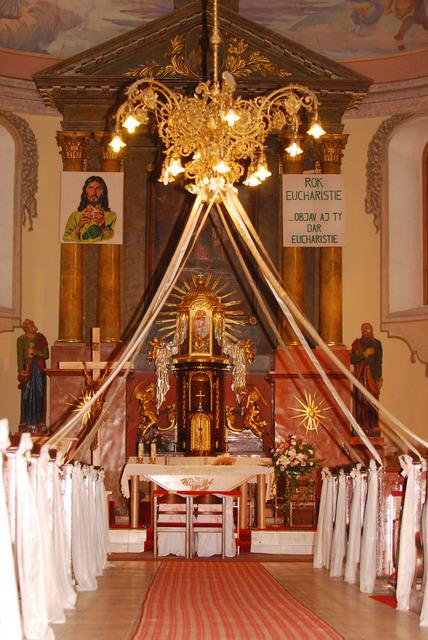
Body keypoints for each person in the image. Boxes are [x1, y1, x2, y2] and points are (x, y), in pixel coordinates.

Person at [350, 322, 382, 437]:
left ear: (371, 330)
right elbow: (353, 359)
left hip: (372, 376)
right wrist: (365, 354)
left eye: (367, 329)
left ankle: (373, 426)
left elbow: (379, 362)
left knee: (372, 401)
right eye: (363, 329)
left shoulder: (377, 344)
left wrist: (379, 378)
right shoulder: (357, 344)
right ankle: (360, 426)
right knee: (360, 400)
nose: (365, 331)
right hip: (360, 376)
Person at [17, 319, 49, 431]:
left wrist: (35, 352)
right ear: (25, 327)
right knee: (26, 395)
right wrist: (21, 370)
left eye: (33, 323)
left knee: (39, 394)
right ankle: (24, 422)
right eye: (30, 324)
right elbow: (20, 356)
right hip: (27, 370)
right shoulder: (21, 340)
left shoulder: (41, 338)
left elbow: (46, 355)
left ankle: (40, 422)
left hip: (39, 369)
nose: (33, 325)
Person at [63, 175, 117, 242]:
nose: (94, 192)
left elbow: (114, 240)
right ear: (85, 192)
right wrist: (78, 227)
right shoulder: (74, 216)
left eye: (98, 188)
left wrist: (104, 227)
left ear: (103, 193)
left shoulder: (112, 216)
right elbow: (66, 240)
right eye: (90, 188)